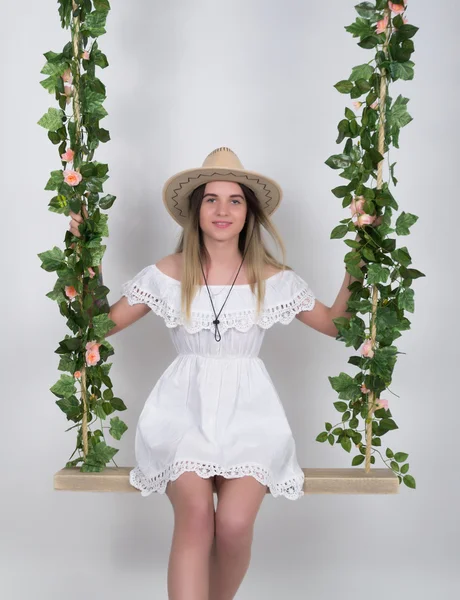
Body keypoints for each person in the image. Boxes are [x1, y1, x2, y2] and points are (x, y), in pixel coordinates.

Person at [68, 146, 350, 600]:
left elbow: (337, 325)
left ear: (248, 213)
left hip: (250, 412)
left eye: (235, 200)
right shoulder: (168, 273)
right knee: (196, 517)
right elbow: (101, 324)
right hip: (183, 410)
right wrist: (88, 254)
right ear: (195, 210)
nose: (222, 210)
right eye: (211, 199)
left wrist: (362, 256)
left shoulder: (272, 277)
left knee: (235, 525)